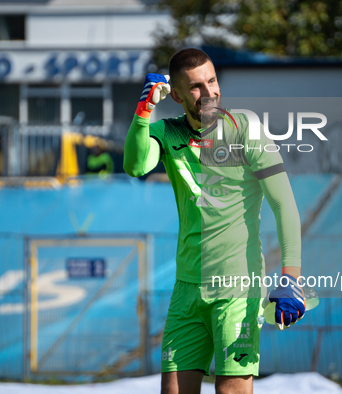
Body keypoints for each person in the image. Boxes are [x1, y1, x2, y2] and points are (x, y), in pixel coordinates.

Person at [124, 48, 305, 394]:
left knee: (231, 390)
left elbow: (284, 204)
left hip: (238, 288)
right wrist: (143, 113)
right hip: (187, 290)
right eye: (195, 87)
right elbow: (135, 166)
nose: (209, 93)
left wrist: (291, 277)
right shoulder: (166, 132)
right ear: (175, 95)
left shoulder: (245, 129)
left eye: (212, 81)